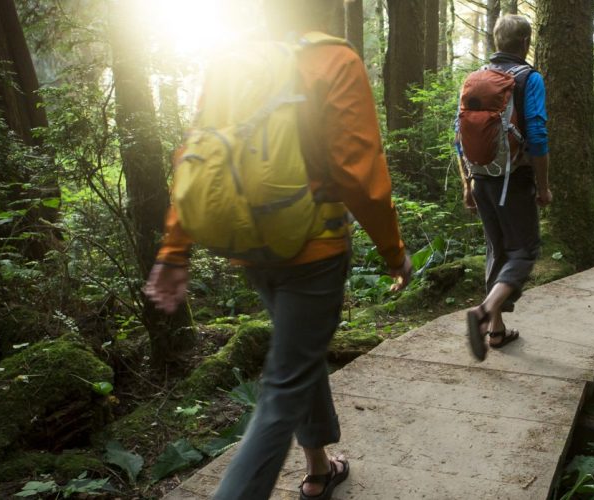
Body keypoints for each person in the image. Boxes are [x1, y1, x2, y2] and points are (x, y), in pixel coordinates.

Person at [143, 1, 412, 498]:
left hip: (249, 245)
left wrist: (175, 249)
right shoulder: (335, 60)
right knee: (283, 387)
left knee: (298, 355)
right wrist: (395, 253)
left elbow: (195, 157)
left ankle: (318, 469)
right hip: (315, 249)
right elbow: (360, 174)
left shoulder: (231, 61)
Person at [458, 14, 552, 361]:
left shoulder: (475, 79)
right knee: (523, 251)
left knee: (496, 249)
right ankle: (484, 313)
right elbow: (538, 135)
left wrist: (468, 183)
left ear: (496, 42)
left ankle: (497, 331)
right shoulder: (529, 78)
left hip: (481, 177)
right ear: (526, 42)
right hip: (514, 178)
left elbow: (459, 134)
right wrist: (543, 186)